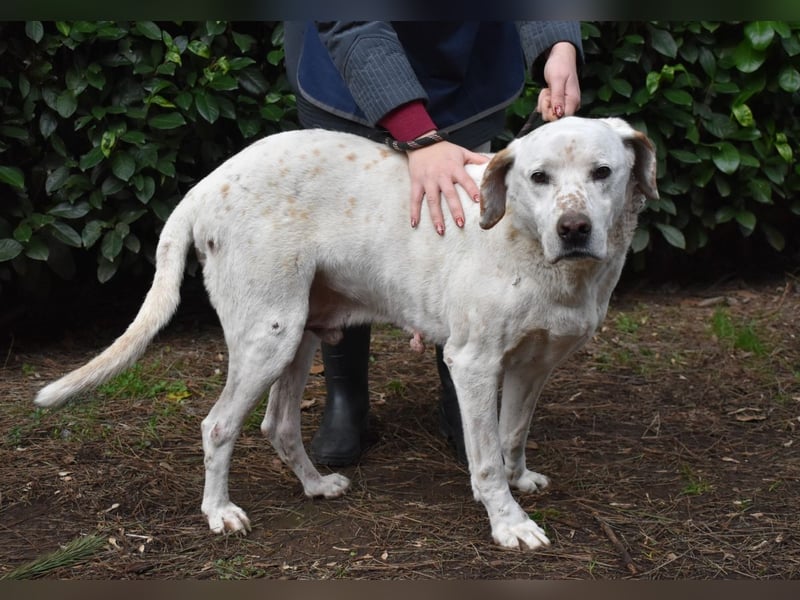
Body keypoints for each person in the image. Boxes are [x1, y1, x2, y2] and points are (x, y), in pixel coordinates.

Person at [283, 21, 583, 466]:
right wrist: (419, 135)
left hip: (468, 70)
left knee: (460, 229)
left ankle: (462, 398)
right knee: (350, 236)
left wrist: (558, 45)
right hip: (348, 71)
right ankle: (347, 399)